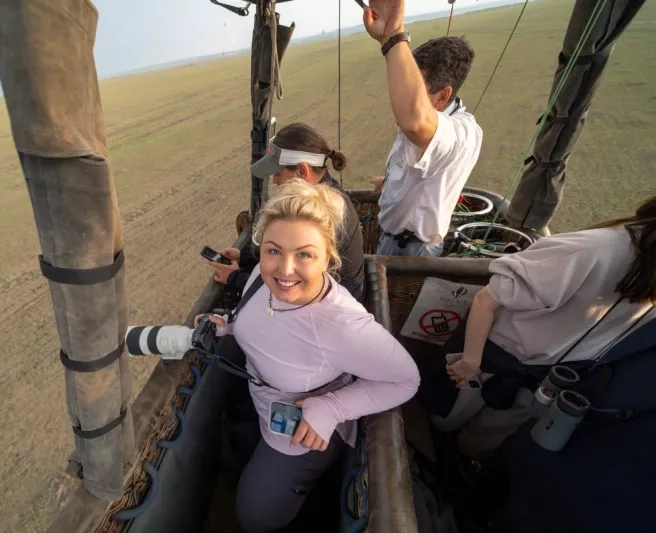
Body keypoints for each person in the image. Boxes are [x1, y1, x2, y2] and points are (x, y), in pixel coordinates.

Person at [195, 180, 419, 532]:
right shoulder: (258, 276)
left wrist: (331, 409)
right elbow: (258, 318)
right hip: (262, 401)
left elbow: (406, 379)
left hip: (301, 430)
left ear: (329, 256)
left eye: (304, 254)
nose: (284, 270)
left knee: (255, 518)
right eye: (273, 250)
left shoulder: (341, 324)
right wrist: (225, 325)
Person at [425, 195, 656, 458]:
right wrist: (470, 361)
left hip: (544, 383)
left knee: (479, 443)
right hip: (490, 364)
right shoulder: (590, 251)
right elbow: (486, 300)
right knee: (443, 421)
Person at [362, 0, 483, 257]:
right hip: (393, 239)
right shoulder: (434, 125)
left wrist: (392, 38)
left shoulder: (460, 133)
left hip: (412, 251)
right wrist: (394, 185)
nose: (404, 94)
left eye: (416, 87)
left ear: (441, 97)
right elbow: (424, 172)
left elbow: (415, 122)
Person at [204, 122, 366, 302]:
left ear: (302, 171)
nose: (274, 180)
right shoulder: (324, 197)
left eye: (278, 173)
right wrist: (246, 256)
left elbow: (291, 283)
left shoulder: (317, 217)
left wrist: (235, 278)